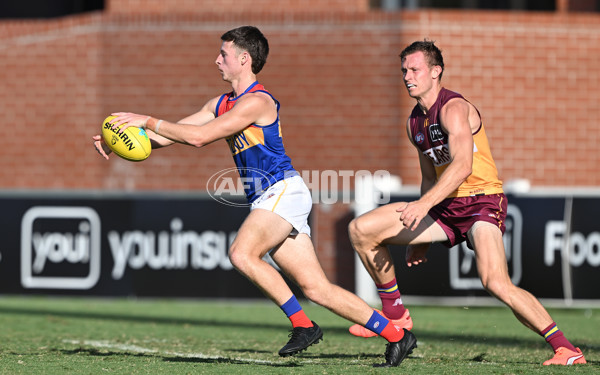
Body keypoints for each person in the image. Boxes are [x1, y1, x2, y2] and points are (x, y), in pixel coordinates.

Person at [93, 26, 416, 367]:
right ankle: (397, 334)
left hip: (282, 190)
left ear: (244, 59)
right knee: (317, 289)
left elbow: (200, 138)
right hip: (273, 197)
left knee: (241, 253)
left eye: (224, 54)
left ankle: (302, 324)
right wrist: (120, 139)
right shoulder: (220, 103)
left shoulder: (258, 102)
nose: (216, 60)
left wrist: (147, 119)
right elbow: (173, 136)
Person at [347, 40, 586, 366]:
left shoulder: (453, 109)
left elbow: (462, 166)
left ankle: (566, 348)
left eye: (414, 69)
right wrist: (423, 226)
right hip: (445, 207)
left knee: (495, 282)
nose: (407, 76)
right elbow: (430, 178)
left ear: (436, 72)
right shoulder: (414, 122)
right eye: (404, 70)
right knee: (361, 229)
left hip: (481, 202)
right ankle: (396, 315)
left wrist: (421, 208)